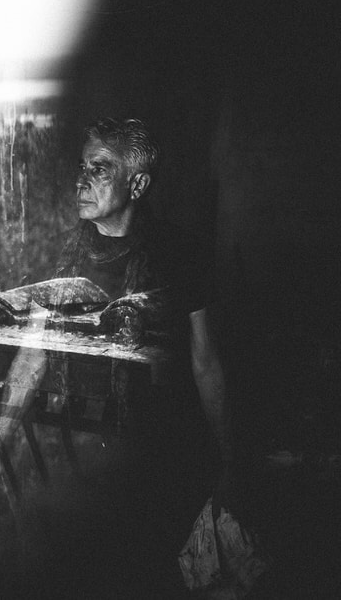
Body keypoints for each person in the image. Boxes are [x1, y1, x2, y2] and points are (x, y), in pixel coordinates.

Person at [56, 116, 235, 527]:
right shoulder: (65, 251)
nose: (81, 181)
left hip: (158, 452)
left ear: (137, 185)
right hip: (77, 449)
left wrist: (230, 463)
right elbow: (33, 353)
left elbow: (206, 361)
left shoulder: (181, 254)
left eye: (99, 169)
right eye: (82, 167)